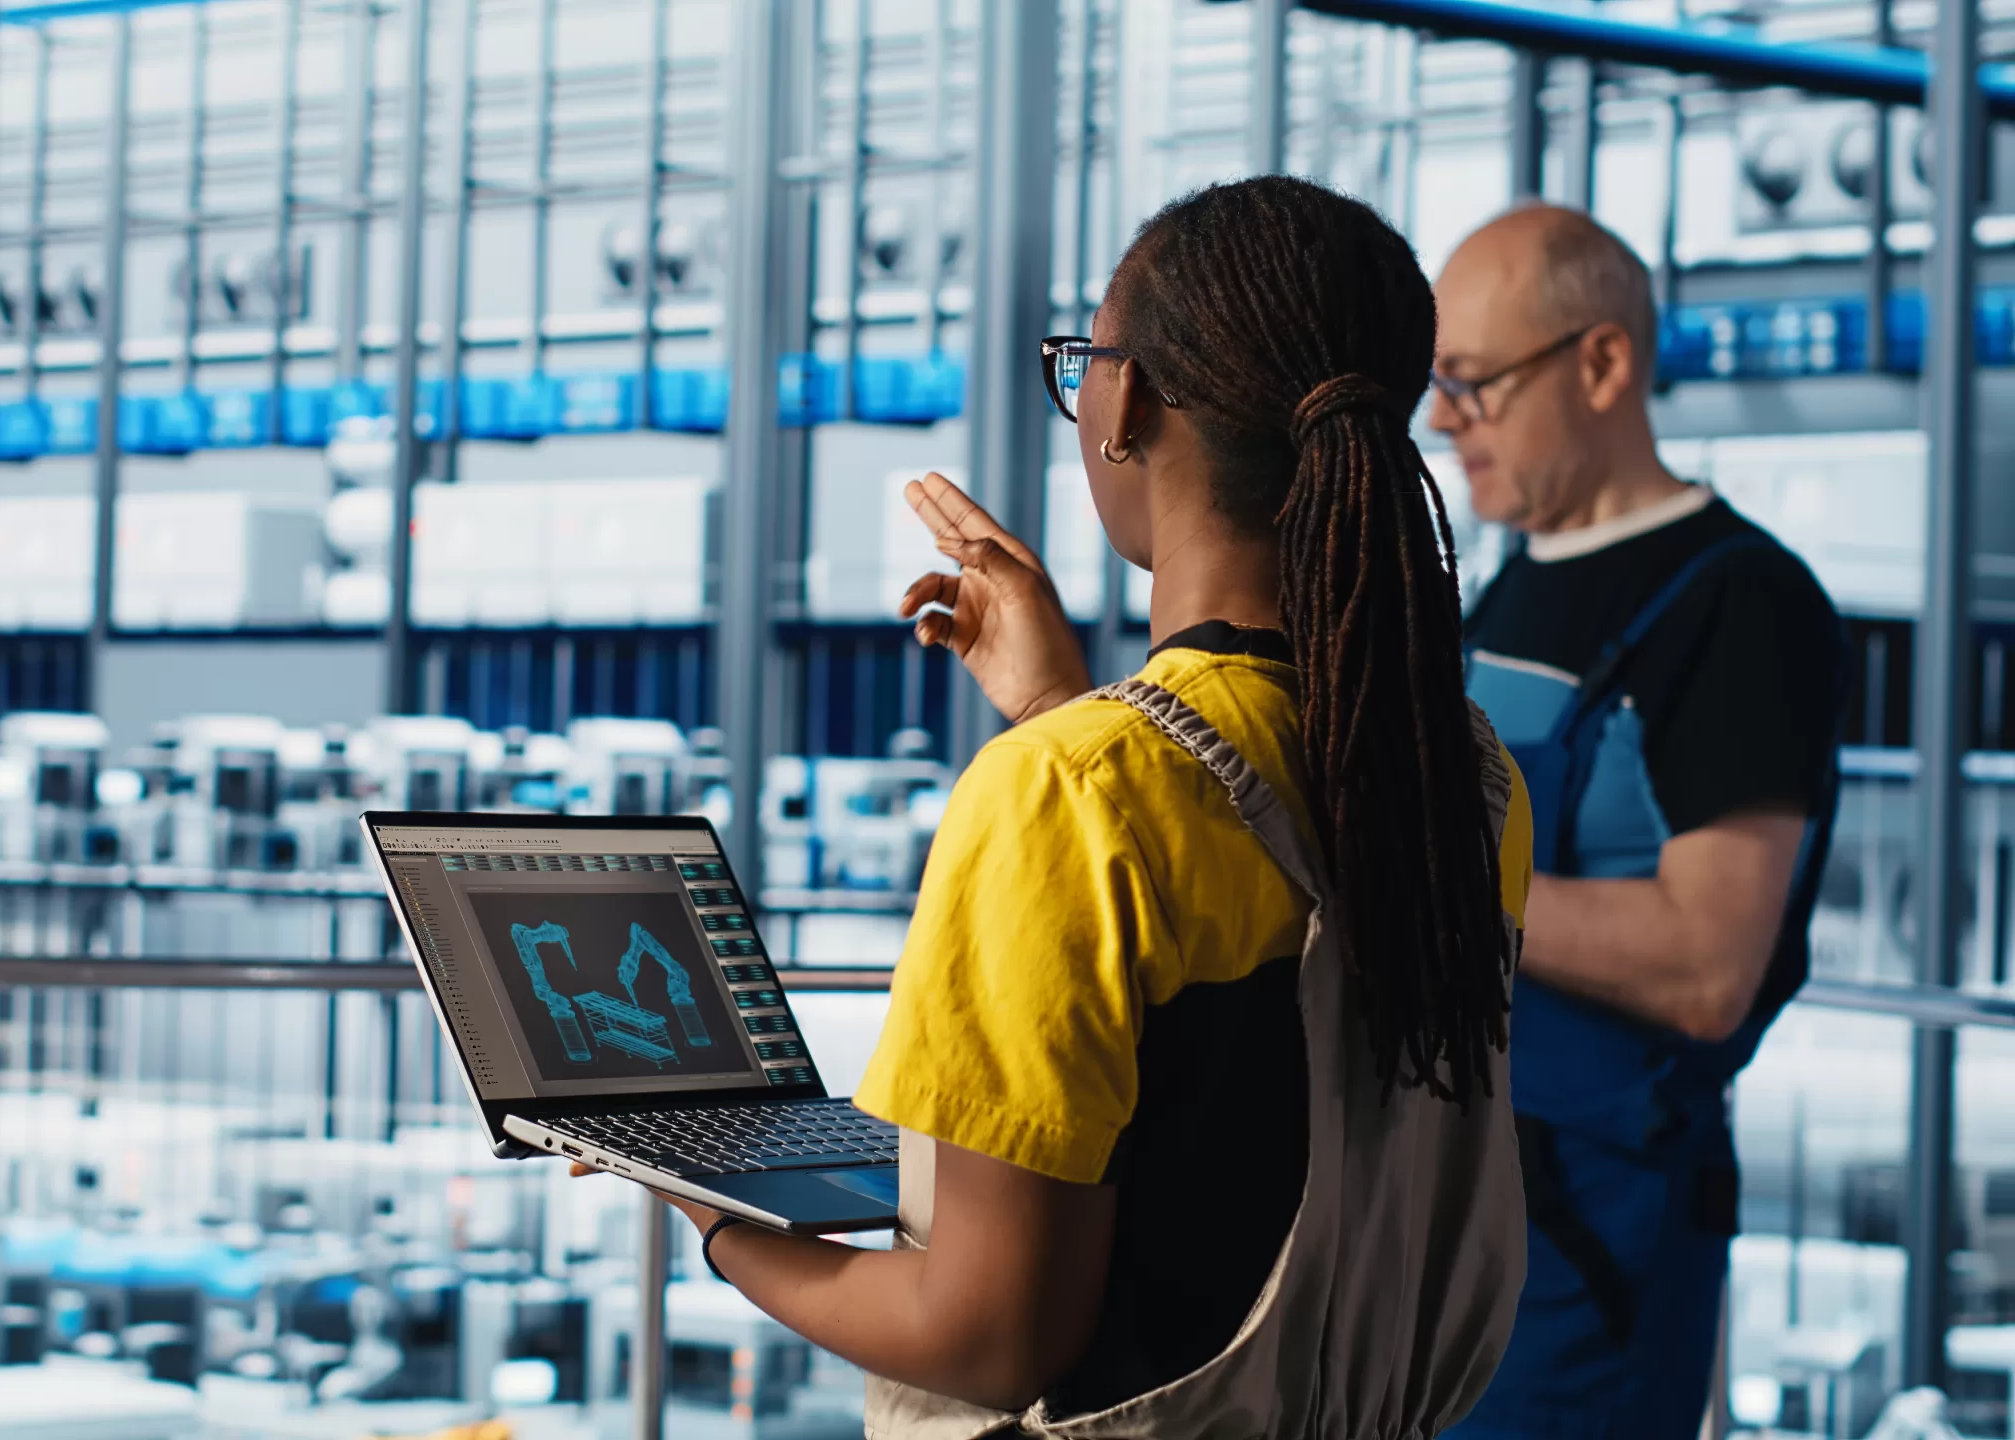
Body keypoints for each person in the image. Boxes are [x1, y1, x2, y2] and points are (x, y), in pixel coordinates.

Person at [585, 176, 1534, 1437]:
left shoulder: (1072, 799)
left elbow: (983, 1336)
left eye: (1085, 357)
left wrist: (707, 1208)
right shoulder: (1463, 778)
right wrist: (1063, 718)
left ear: (1125, 401)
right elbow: (1241, 1140)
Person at [1431, 204, 1849, 1440]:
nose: (1447, 423)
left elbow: (1708, 966)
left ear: (1602, 363)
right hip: (1451, 1196)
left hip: (1592, 1242)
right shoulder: (1508, 585)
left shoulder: (1737, 605)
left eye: (1473, 385)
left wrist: (1424, 872)